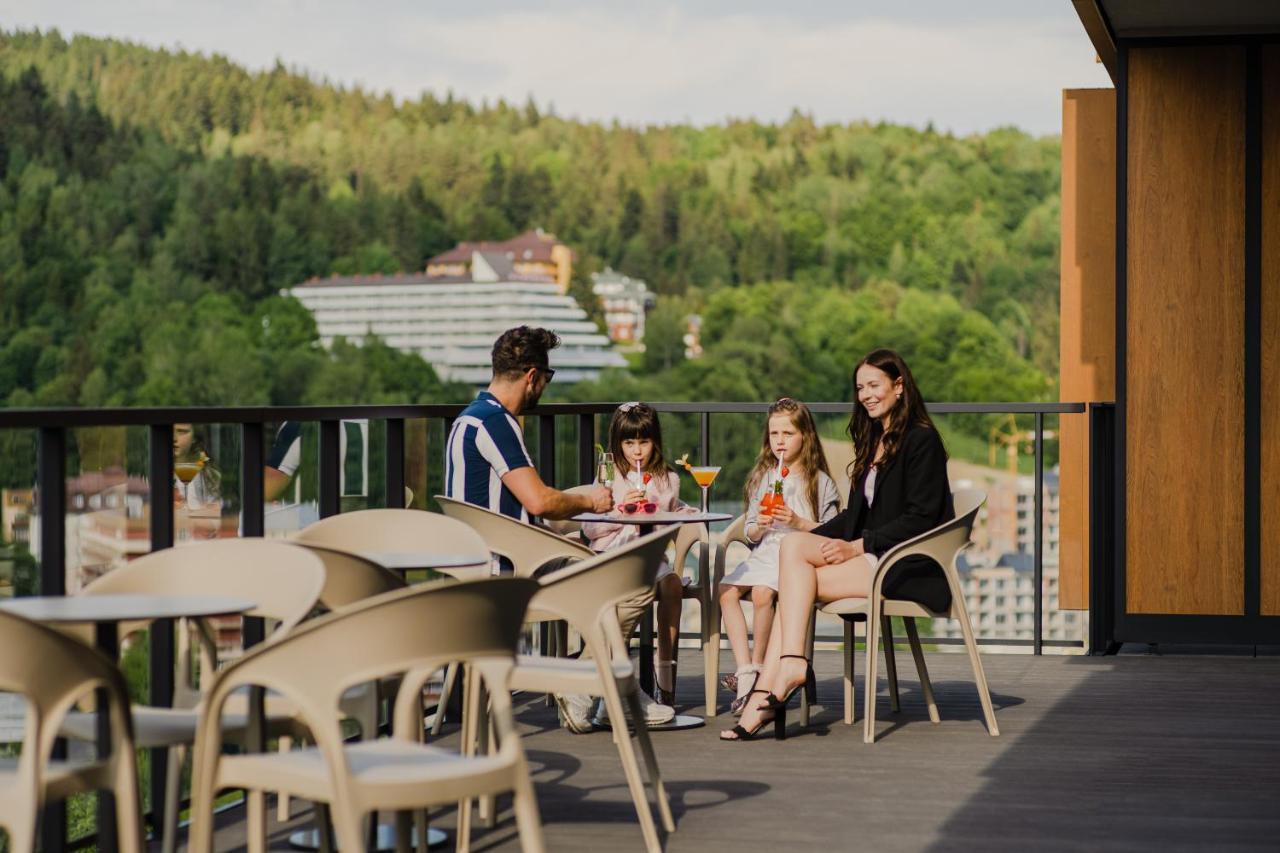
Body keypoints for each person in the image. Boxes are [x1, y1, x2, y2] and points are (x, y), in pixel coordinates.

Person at [723, 348, 954, 741]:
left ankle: (768, 691)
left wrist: (856, 546)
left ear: (899, 386)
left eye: (874, 385)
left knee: (795, 584)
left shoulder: (922, 441)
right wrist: (812, 534)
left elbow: (920, 517)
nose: (866, 394)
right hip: (873, 556)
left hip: (906, 564)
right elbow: (853, 517)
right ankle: (787, 671)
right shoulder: (875, 440)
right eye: (860, 387)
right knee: (792, 550)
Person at [718, 398, 840, 715]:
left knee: (761, 595)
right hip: (767, 549)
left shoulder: (820, 482)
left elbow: (833, 530)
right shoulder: (766, 477)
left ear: (805, 437)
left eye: (787, 433)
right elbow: (749, 531)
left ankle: (759, 671)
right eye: (774, 434)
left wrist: (797, 522)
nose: (780, 441)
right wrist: (758, 526)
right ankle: (747, 670)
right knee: (726, 592)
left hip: (797, 556)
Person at [579, 402, 696, 723]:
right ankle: (616, 683)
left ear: (654, 441)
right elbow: (589, 528)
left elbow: (670, 517)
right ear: (618, 445)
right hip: (611, 556)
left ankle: (665, 681)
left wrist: (672, 513)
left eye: (643, 442)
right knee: (626, 592)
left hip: (649, 556)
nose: (637, 451)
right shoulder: (607, 476)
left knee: (671, 583)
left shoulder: (667, 479)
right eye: (629, 443)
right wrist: (619, 509)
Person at [444, 325, 611, 523]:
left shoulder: (470, 416)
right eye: (546, 377)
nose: (545, 385)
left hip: (476, 545)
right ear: (532, 376)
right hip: (501, 551)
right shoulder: (495, 421)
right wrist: (591, 501)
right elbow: (540, 502)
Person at [173, 422, 222, 539]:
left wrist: (184, 515)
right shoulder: (154, 474)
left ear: (194, 438)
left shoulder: (208, 475)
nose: (174, 438)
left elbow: (216, 520)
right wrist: (198, 513)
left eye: (181, 432)